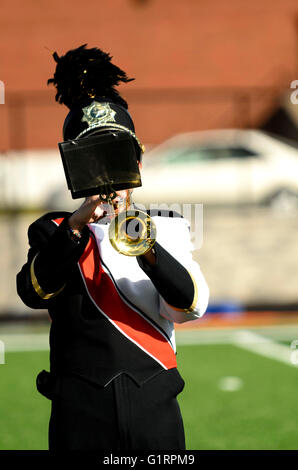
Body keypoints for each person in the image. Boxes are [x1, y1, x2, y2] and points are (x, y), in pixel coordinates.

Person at [16, 44, 209, 451]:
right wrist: (79, 221)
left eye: (117, 159)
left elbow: (190, 306)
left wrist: (145, 246)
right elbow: (34, 292)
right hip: (79, 412)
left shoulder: (166, 226)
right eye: (93, 162)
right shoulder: (54, 231)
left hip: (153, 405)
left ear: (137, 164)